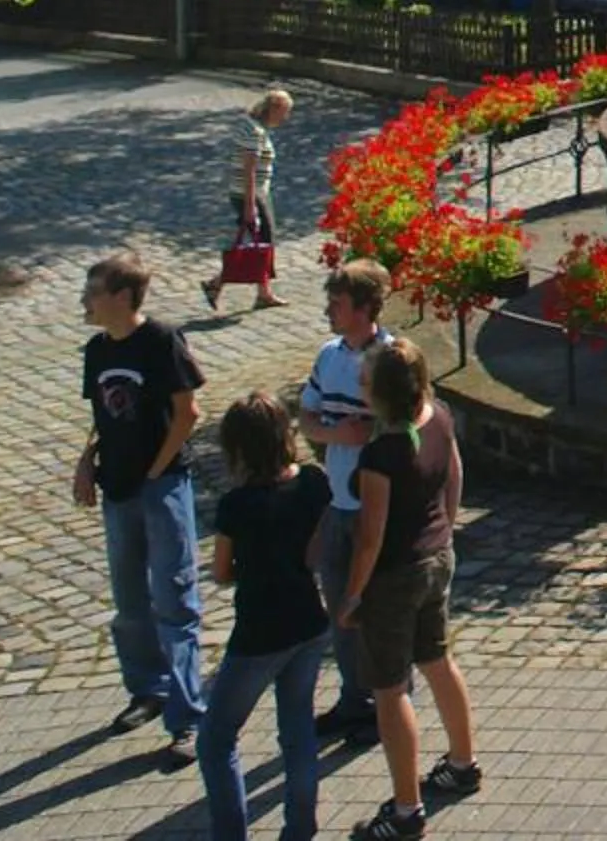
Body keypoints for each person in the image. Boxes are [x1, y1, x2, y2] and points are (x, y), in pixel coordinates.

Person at [337, 338, 482, 841]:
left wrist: (352, 597)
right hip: (437, 558)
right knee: (438, 659)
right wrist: (447, 527)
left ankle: (405, 810)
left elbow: (371, 537)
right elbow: (455, 475)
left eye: (366, 376)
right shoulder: (438, 415)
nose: (360, 381)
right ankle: (463, 763)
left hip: (394, 577)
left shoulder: (381, 455)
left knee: (389, 687)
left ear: (382, 391)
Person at [77, 250, 208, 761]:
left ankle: (187, 718)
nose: (85, 301)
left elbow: (188, 412)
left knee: (175, 602)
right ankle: (147, 690)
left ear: (123, 297)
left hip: (163, 487)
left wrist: (157, 470)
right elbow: (101, 416)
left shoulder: (162, 341)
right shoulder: (96, 350)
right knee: (131, 604)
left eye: (94, 291)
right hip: (118, 489)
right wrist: (86, 459)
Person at [194, 392, 332, 841]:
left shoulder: (237, 505)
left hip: (258, 633)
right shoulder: (313, 483)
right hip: (309, 622)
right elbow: (316, 550)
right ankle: (300, 830)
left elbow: (220, 571)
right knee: (297, 731)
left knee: (216, 738)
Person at [299, 259, 396, 742]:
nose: (328, 312)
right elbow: (306, 419)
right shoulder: (329, 356)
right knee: (340, 606)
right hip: (339, 503)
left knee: (375, 610)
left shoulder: (391, 359)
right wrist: (336, 432)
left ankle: (388, 704)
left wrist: (368, 435)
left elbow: (406, 428)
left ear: (363, 308)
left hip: (377, 509)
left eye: (337, 304)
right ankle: (352, 700)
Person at [204, 89, 292, 313]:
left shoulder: (252, 126)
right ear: (272, 108)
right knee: (256, 243)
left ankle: (263, 293)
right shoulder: (253, 131)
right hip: (250, 194)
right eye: (284, 112)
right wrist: (250, 205)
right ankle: (216, 283)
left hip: (254, 192)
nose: (285, 118)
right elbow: (249, 170)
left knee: (260, 241)